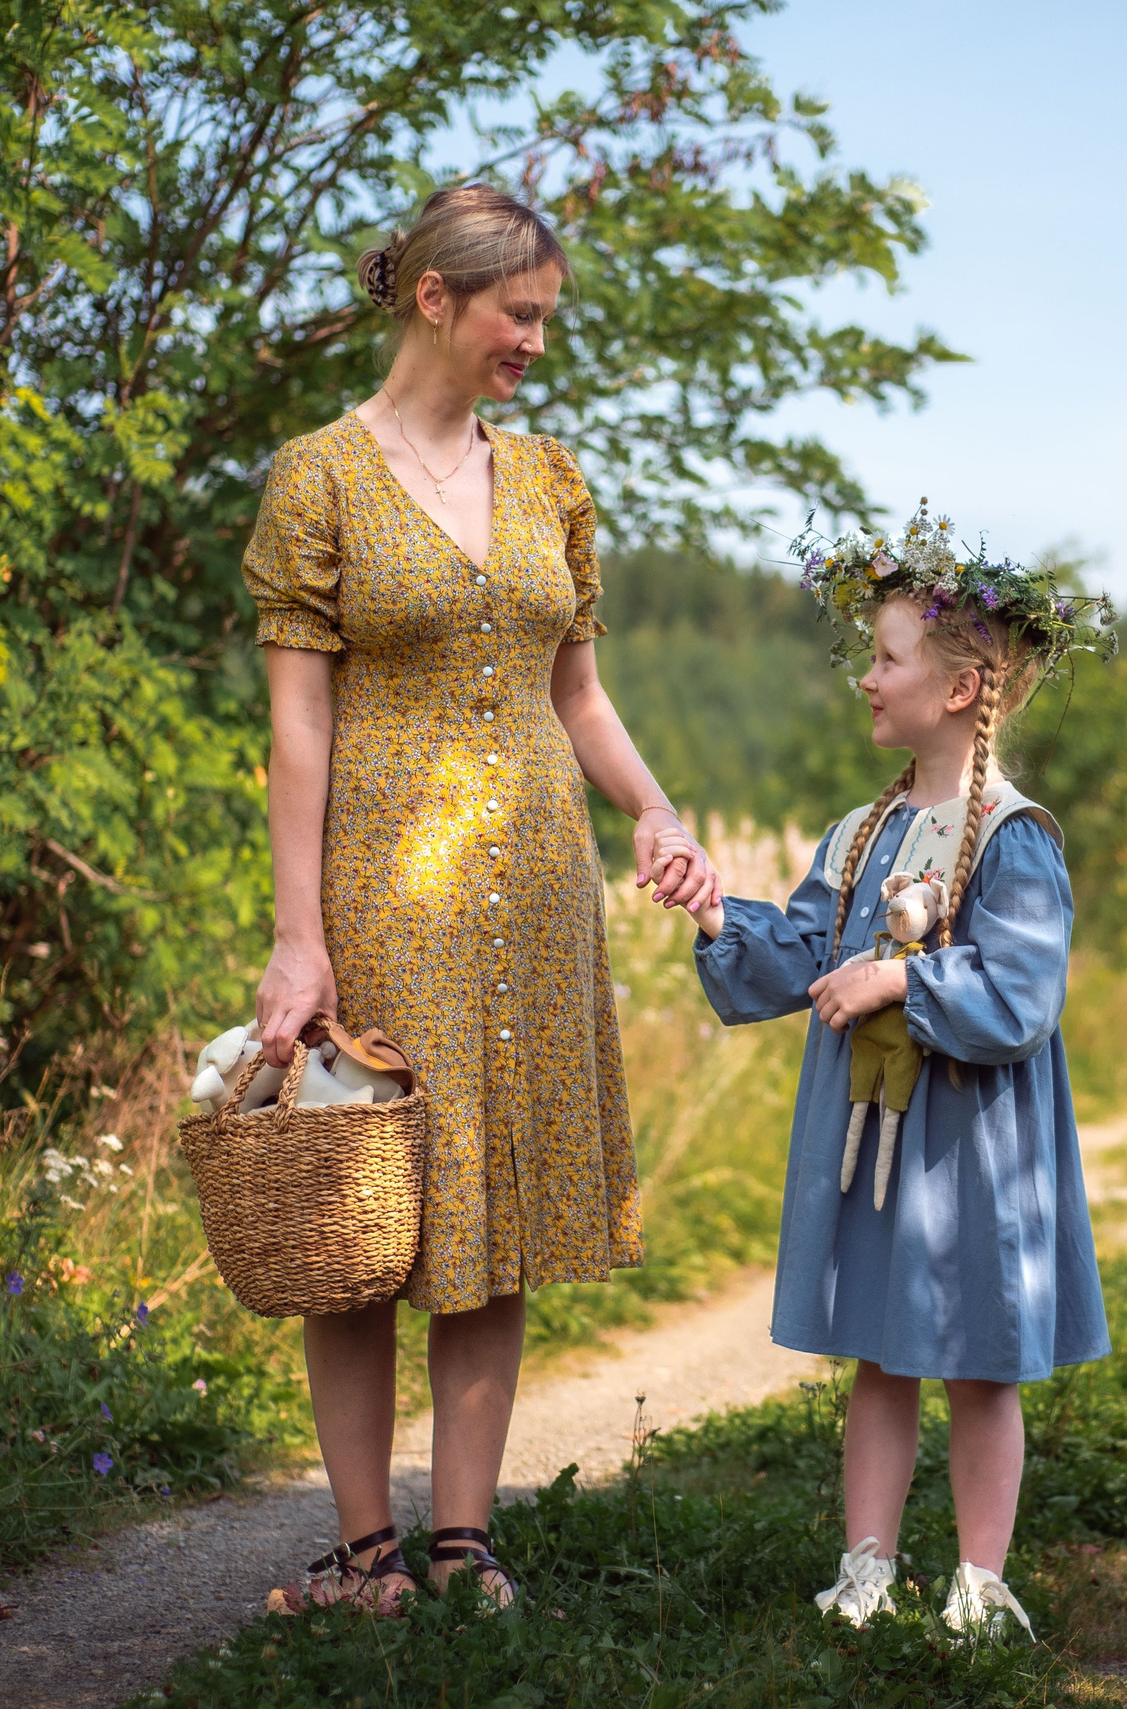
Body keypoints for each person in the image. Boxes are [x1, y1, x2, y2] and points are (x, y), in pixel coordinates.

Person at [240, 183, 719, 1613]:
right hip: (386, 891)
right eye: (521, 313)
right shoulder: (319, 478)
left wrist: (656, 811)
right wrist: (298, 936)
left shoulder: (554, 479)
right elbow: (297, 727)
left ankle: (462, 1542)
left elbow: (580, 694)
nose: (536, 342)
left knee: (492, 1208)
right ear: (435, 299)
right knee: (358, 1213)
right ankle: (364, 1554)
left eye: (547, 318)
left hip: (537, 895)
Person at [664, 509, 1117, 1641]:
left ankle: (979, 1582)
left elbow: (1021, 993)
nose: (865, 677)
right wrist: (717, 910)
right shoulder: (860, 835)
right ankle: (864, 1567)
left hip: (967, 1147)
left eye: (886, 658)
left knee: (978, 1364)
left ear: (961, 688)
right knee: (879, 1350)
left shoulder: (1012, 835)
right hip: (876, 1142)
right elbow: (802, 951)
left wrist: (897, 981)